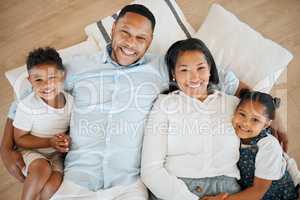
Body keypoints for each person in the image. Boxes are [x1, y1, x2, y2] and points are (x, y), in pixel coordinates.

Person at [0, 3, 288, 200]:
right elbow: (27, 97)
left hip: (129, 185)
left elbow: (217, 76)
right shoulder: (77, 67)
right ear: (113, 30)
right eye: (125, 32)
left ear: (149, 42)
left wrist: (273, 117)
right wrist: (5, 147)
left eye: (141, 37)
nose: (130, 42)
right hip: (78, 179)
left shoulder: (163, 68)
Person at [141, 38, 243, 200]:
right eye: (184, 70)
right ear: (173, 74)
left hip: (228, 191)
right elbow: (150, 170)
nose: (194, 77)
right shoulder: (164, 105)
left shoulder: (234, 105)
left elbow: (258, 140)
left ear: (210, 69)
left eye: (201, 68)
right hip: (176, 190)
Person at [203, 90, 299, 200]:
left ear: (266, 124)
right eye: (242, 114)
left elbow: (258, 191)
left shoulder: (268, 146)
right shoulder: (233, 137)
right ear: (235, 111)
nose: (245, 123)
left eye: (255, 120)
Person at [13, 47, 72, 200]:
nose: (46, 85)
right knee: (42, 168)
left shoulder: (71, 102)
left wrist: (66, 140)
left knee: (53, 184)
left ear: (62, 75)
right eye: (38, 80)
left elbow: (72, 129)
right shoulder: (28, 106)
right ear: (30, 81)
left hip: (56, 155)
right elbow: (19, 139)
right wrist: (48, 142)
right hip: (33, 150)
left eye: (52, 77)